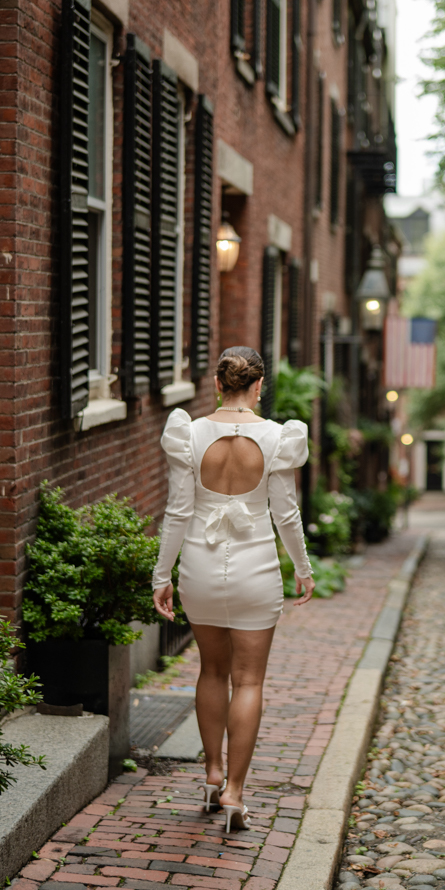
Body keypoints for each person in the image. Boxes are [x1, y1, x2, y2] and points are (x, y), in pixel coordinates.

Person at [152, 346, 315, 833]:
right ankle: (235, 795)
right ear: (258, 386)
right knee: (248, 681)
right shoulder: (278, 437)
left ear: (218, 385)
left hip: (200, 566)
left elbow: (178, 511)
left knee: (211, 671)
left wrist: (162, 575)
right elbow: (285, 513)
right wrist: (303, 568)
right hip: (255, 570)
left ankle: (211, 774)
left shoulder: (190, 432)